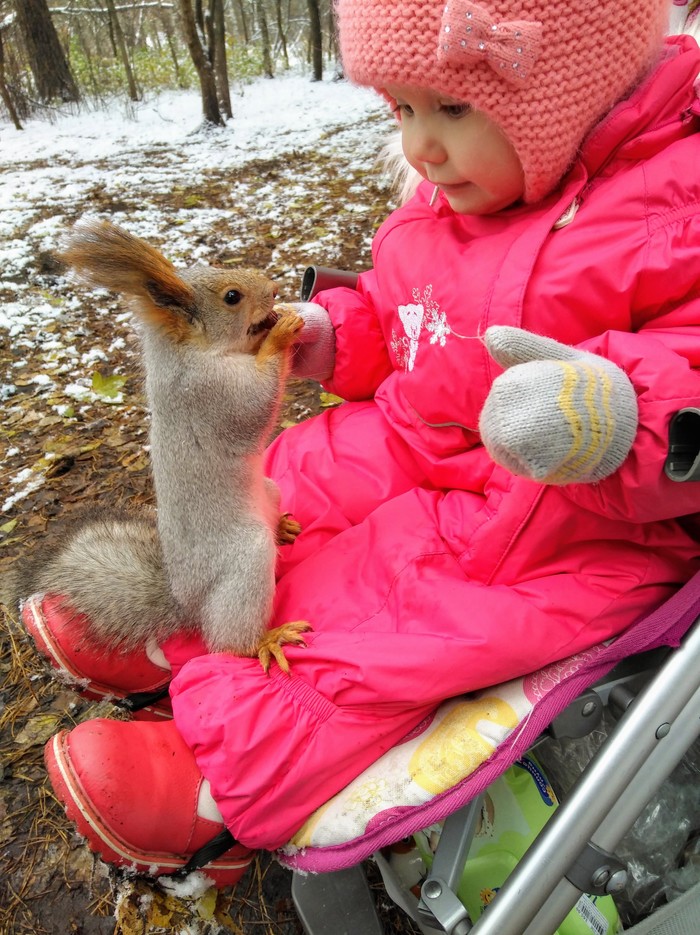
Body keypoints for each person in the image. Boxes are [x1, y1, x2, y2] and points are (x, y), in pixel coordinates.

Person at [22, 0, 700, 883]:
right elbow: (401, 313)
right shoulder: (446, 199)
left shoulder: (676, 210)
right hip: (418, 435)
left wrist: (615, 420)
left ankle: (227, 776)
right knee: (289, 484)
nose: (421, 146)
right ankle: (180, 615)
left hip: (563, 514)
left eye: (451, 110)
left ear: (575, 92)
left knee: (393, 608)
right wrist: (334, 333)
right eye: (401, 109)